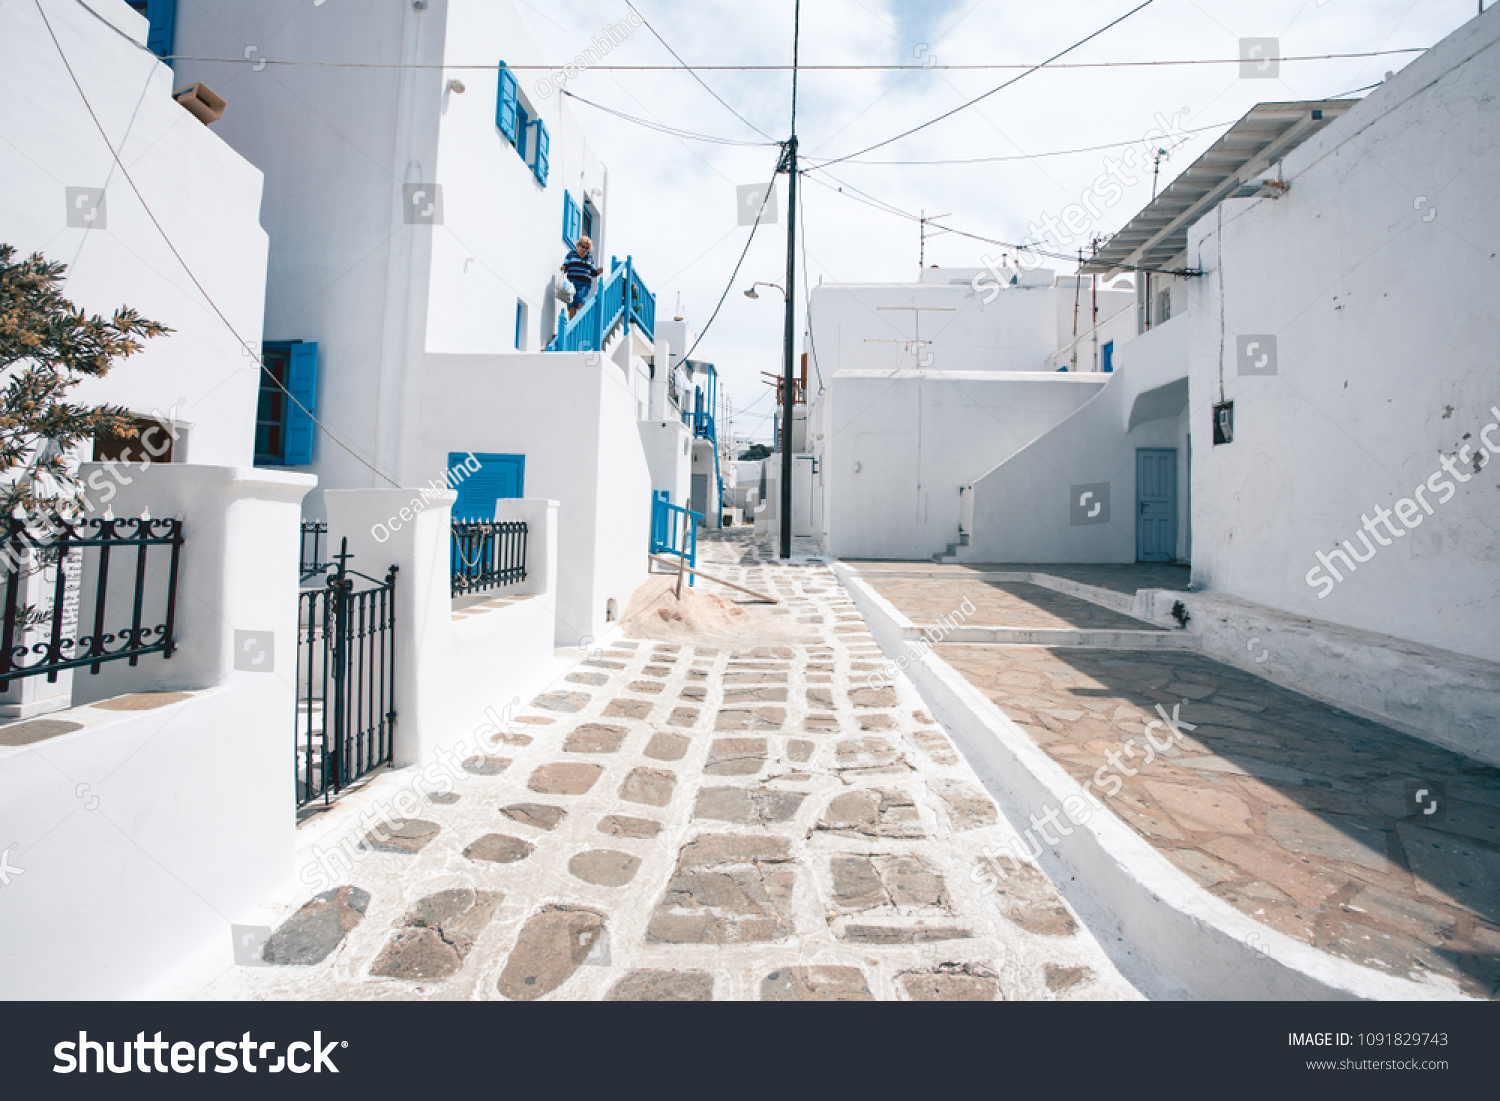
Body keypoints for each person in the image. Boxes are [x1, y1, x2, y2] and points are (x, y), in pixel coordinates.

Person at [561, 235, 603, 320]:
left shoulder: (589, 258)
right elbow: (566, 265)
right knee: (572, 306)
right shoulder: (571, 254)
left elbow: (592, 272)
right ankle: (572, 328)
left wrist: (597, 272)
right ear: (578, 245)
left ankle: (580, 323)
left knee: (581, 302)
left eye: (586, 248)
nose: (584, 249)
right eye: (582, 246)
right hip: (572, 282)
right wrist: (563, 267)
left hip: (584, 284)